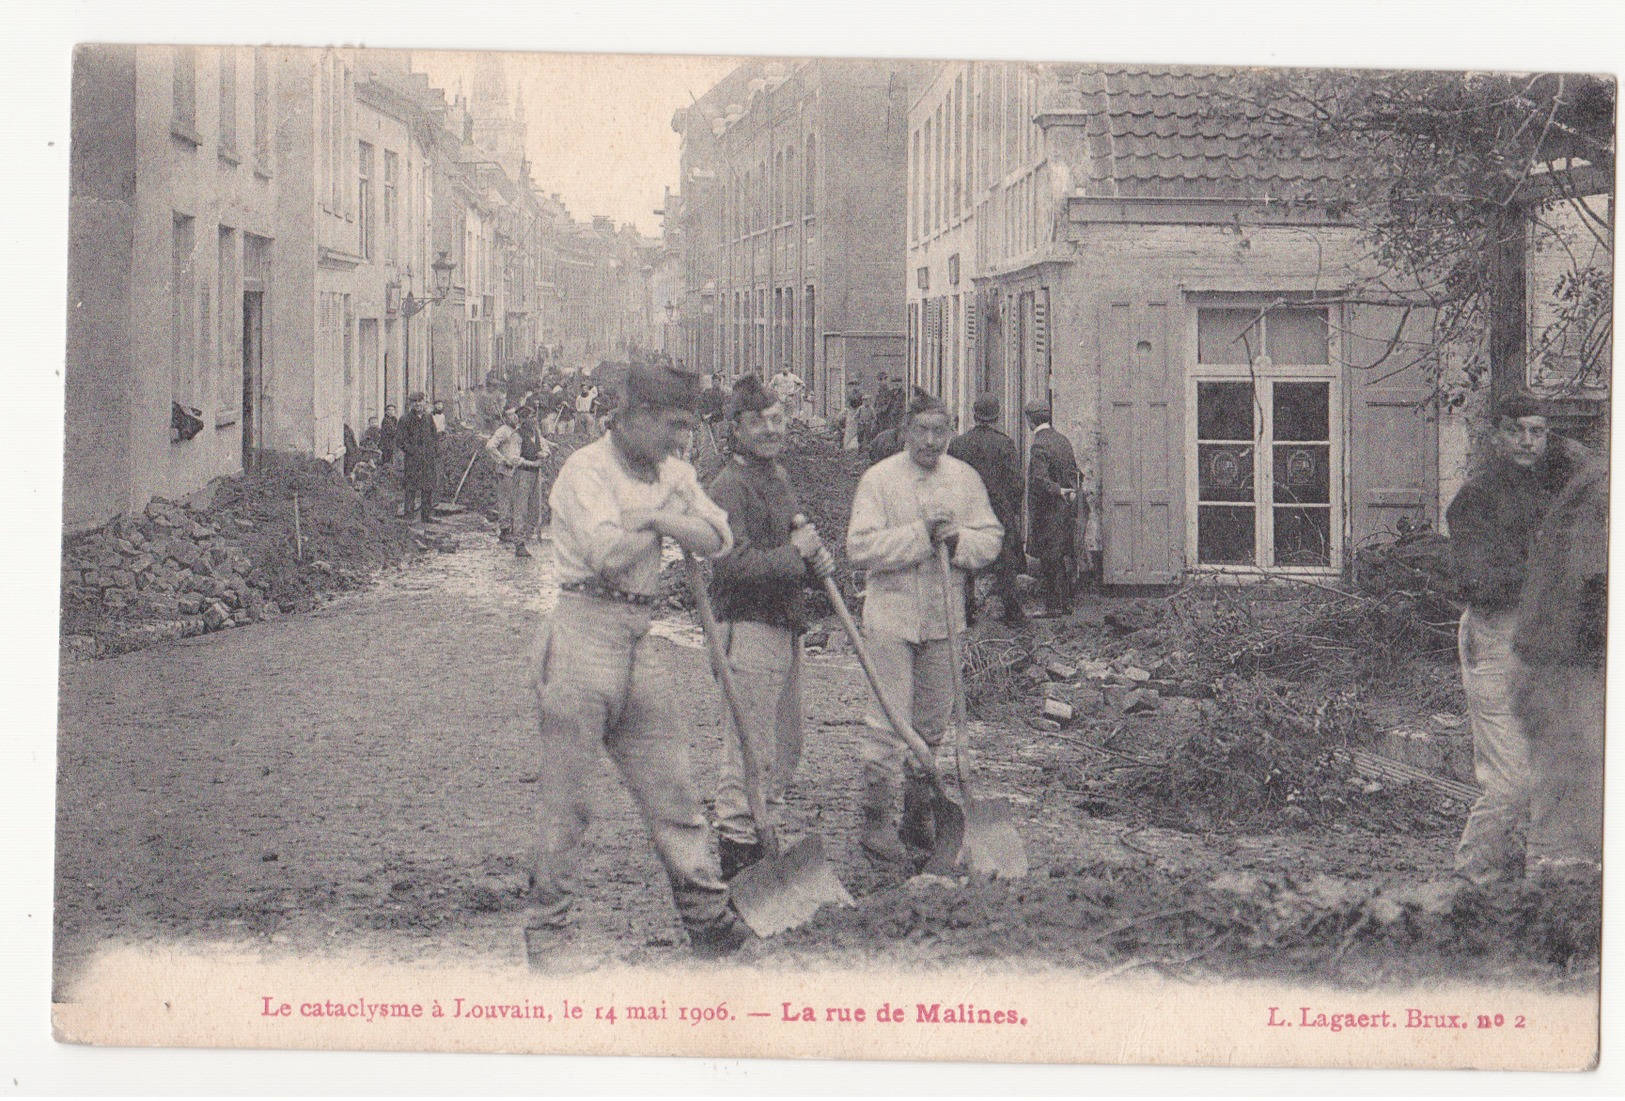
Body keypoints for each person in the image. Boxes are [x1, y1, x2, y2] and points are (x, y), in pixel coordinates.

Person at [525, 358, 750, 964]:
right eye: (674, 424)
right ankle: (548, 935)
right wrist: (665, 520)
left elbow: (719, 539)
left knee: (674, 789)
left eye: (689, 425)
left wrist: (658, 517)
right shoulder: (585, 470)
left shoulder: (673, 470)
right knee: (569, 803)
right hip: (582, 632)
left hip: (640, 634)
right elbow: (607, 555)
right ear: (635, 416)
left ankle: (708, 921)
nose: (684, 439)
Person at [845, 393, 1003, 862]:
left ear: (950, 432)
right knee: (888, 720)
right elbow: (859, 549)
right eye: (921, 431)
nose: (930, 441)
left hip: (943, 616)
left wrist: (958, 540)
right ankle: (875, 820)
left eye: (939, 431)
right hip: (891, 615)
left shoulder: (964, 480)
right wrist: (919, 535)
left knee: (932, 721)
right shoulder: (880, 480)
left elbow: (991, 539)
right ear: (906, 432)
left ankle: (919, 814)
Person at [1445, 394, 1582, 885]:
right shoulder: (1477, 497)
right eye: (1516, 430)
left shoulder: (1555, 489)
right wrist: (1544, 575)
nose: (1528, 441)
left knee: (1556, 771)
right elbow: (1475, 584)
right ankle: (1472, 885)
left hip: (1544, 640)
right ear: (1495, 435)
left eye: (1538, 431)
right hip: (1496, 635)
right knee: (1510, 782)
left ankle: (1518, 890)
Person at [703, 375, 834, 880]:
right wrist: (793, 555)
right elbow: (730, 566)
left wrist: (813, 559)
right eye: (757, 422)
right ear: (735, 429)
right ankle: (739, 853)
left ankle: (764, 833)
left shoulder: (775, 477)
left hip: (783, 623)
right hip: (746, 626)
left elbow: (793, 541)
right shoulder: (728, 486)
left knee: (785, 745)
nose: (769, 429)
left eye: (777, 420)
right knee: (749, 747)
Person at [1512, 453, 1606, 882]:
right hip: (1566, 659)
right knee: (1573, 768)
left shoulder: (1592, 482)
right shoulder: (1600, 491)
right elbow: (1592, 580)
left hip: (1563, 653)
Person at [948, 394, 1027, 627]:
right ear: (997, 416)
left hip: (966, 513)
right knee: (1005, 563)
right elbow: (1016, 483)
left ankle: (965, 612)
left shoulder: (958, 444)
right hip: (997, 513)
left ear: (974, 415)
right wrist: (1010, 508)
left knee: (965, 563)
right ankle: (1012, 614)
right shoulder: (1004, 444)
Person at [1024, 400, 1082, 618]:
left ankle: (1053, 608)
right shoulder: (1062, 440)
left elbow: (1039, 480)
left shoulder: (1039, 444)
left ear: (1030, 420)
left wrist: (1057, 491)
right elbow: (1074, 473)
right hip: (1066, 508)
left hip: (1047, 510)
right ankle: (1065, 604)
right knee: (1061, 557)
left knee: (1050, 559)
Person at [511, 405, 552, 558]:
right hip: (523, 474)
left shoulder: (536, 433)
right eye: (529, 417)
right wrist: (532, 463)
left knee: (534, 510)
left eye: (533, 417)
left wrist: (544, 454)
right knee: (521, 509)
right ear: (522, 420)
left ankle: (527, 538)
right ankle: (519, 544)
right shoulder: (517, 436)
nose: (533, 420)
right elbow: (514, 458)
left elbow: (545, 447)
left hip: (536, 475)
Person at [398, 392, 439, 524]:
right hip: (412, 460)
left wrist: (432, 451)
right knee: (411, 487)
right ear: (410, 404)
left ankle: (426, 516)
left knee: (427, 487)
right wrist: (412, 452)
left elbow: (434, 436)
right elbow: (400, 441)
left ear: (424, 403)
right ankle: (408, 515)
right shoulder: (405, 419)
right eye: (414, 401)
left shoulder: (428, 418)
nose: (417, 404)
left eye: (420, 401)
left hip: (427, 459)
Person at [484, 407, 523, 542]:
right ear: (506, 418)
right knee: (505, 500)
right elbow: (490, 446)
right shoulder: (502, 431)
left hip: (519, 470)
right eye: (511, 416)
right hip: (506, 470)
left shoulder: (518, 431)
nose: (514, 418)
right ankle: (504, 529)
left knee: (516, 500)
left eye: (515, 416)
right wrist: (502, 460)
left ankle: (514, 528)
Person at [837, 387, 875, 452]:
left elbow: (873, 416)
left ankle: (860, 447)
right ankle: (848, 446)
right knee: (850, 432)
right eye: (852, 385)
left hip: (862, 422)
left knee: (861, 434)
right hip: (853, 416)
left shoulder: (867, 408)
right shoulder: (853, 407)